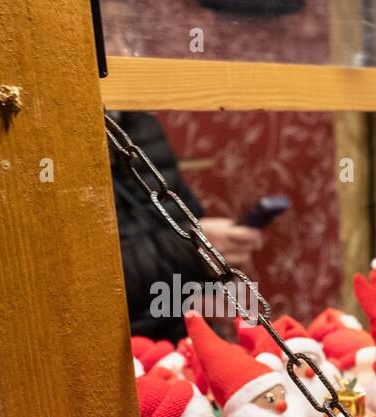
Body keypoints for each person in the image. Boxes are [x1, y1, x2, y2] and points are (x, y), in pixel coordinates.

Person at [108, 111, 263, 341]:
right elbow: (84, 283)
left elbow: (182, 216)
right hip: (118, 344)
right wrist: (191, 251)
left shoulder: (140, 126)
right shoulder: (55, 138)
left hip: (184, 327)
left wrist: (213, 256)